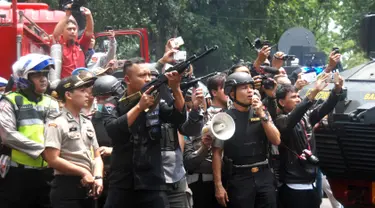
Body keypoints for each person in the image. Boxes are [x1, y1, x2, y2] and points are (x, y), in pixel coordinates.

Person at [102, 57, 186, 208]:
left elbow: (178, 117)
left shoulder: (155, 102)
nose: (148, 79)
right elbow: (113, 129)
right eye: (142, 75)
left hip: (152, 181)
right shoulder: (113, 103)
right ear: (127, 79)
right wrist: (139, 108)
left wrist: (176, 88)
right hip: (122, 182)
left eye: (149, 75)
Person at [274, 73, 344, 208]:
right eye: (293, 97)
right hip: (293, 184)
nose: (298, 99)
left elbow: (325, 107)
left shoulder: (306, 117)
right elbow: (293, 118)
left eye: (298, 96)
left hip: (311, 181)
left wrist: (336, 90)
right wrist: (315, 91)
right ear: (282, 102)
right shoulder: (280, 121)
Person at [212, 72, 281, 208]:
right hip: (239, 178)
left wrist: (262, 115)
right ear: (232, 94)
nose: (250, 91)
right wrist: (218, 185)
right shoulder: (224, 118)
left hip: (264, 175)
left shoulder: (262, 112)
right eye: (244, 88)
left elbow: (276, 140)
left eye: (251, 87)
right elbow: (216, 153)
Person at [0, 53, 59, 208]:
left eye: (45, 74)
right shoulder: (9, 101)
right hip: (17, 175)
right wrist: (41, 150)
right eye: (37, 75)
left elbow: (57, 133)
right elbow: (7, 135)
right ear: (23, 78)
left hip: (46, 173)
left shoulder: (51, 103)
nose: (43, 79)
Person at [43, 75, 104, 208]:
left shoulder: (87, 122)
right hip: (66, 188)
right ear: (68, 95)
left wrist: (98, 177)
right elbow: (52, 159)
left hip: (89, 186)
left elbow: (97, 155)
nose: (87, 94)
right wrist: (83, 172)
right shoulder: (56, 123)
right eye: (82, 91)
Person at [183, 73, 227, 208]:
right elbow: (189, 162)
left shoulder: (231, 116)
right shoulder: (191, 124)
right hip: (202, 184)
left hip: (231, 180)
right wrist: (204, 147)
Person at [91, 75, 125, 208]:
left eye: (104, 97)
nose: (100, 101)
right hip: (102, 175)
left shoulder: (127, 115)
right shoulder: (94, 119)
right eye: (97, 98)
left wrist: (113, 150)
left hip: (123, 175)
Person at [52, 4, 94, 78]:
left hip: (81, 84)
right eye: (69, 29)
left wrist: (89, 16)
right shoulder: (59, 46)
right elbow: (56, 34)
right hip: (65, 86)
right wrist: (67, 14)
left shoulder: (81, 45)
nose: (72, 31)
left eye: (74, 29)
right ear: (62, 32)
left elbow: (89, 32)